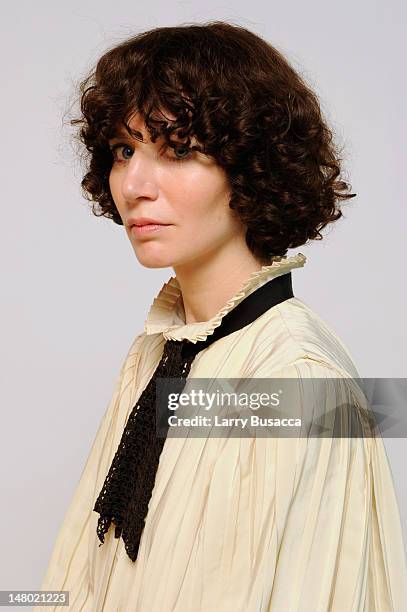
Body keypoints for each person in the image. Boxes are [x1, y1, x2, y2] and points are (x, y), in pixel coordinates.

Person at [35, 21, 407, 612]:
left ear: (250, 167)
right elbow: (89, 578)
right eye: (124, 150)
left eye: (177, 151)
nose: (134, 184)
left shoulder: (300, 378)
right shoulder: (163, 354)